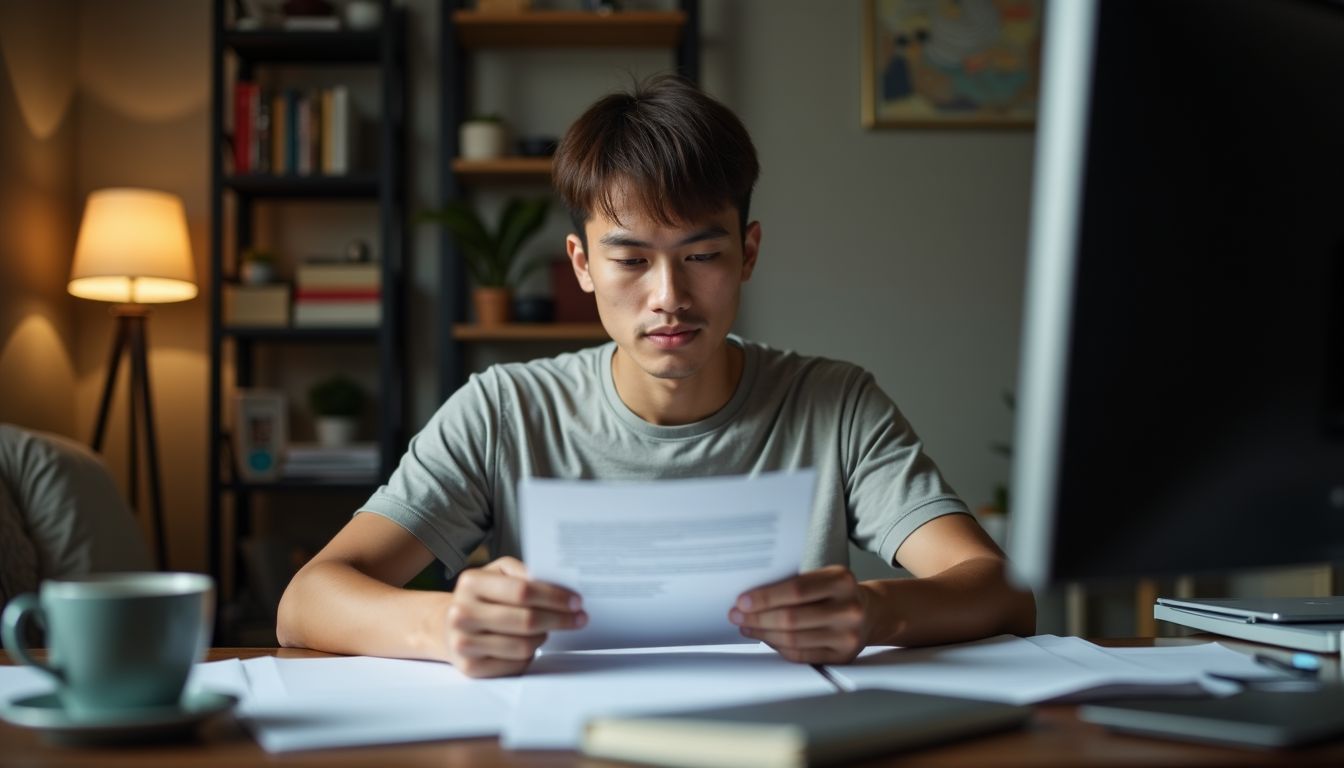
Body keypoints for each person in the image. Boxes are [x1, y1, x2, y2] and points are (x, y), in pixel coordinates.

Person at [277, 75, 1035, 678]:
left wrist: (875, 613)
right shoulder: (505, 410)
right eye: (632, 260)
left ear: (749, 252)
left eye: (702, 256)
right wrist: (444, 624)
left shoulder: (832, 403)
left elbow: (1001, 590)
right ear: (581, 265)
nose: (668, 295)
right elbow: (306, 601)